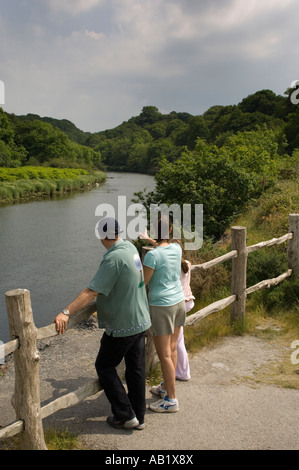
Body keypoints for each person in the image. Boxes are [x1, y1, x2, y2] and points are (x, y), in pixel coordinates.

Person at [54, 217, 151, 430]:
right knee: (136, 369)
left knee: (104, 366)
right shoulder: (130, 248)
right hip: (140, 319)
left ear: (100, 235)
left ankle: (125, 415)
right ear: (118, 232)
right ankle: (139, 416)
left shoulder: (113, 258)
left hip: (123, 324)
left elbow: (91, 291)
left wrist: (66, 312)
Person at [142, 216, 186, 413]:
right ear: (169, 230)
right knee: (173, 349)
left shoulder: (152, 256)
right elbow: (164, 246)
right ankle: (166, 388)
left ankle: (171, 399)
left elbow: (142, 283)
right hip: (179, 303)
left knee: (164, 354)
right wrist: (151, 240)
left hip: (162, 306)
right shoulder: (177, 249)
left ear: (153, 231)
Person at [173, 240, 194, 381]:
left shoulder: (173, 266)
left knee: (177, 340)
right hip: (188, 301)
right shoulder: (187, 264)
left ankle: (183, 372)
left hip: (179, 303)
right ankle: (181, 369)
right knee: (179, 336)